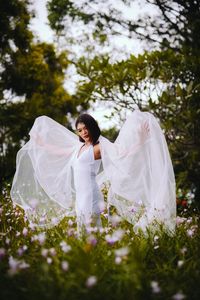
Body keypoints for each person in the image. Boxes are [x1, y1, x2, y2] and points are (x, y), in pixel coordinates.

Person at [10, 109, 176, 235]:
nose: (84, 132)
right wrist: (40, 143)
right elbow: (58, 151)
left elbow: (123, 153)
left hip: (91, 196)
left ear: (92, 127)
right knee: (84, 234)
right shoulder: (78, 148)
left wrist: (141, 139)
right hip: (80, 199)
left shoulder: (99, 147)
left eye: (86, 128)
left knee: (92, 234)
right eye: (80, 130)